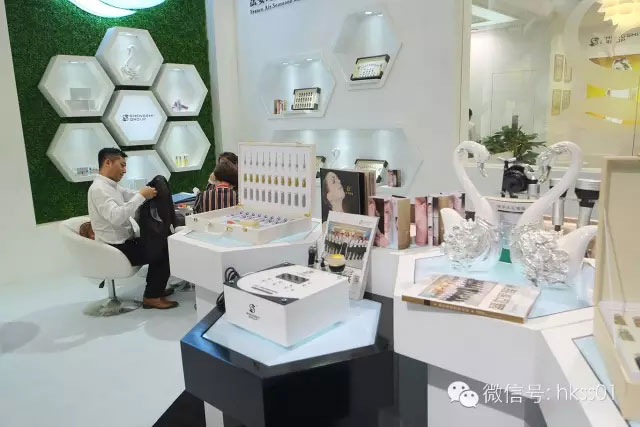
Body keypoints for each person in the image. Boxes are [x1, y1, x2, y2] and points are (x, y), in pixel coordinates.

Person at [87, 148, 178, 310]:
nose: (124, 170)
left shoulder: (112, 186)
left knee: (162, 243)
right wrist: (141, 196)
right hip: (115, 247)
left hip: (124, 243)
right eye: (122, 165)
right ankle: (152, 296)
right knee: (163, 250)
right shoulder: (99, 189)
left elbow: (131, 194)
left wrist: (150, 193)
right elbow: (116, 217)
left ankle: (155, 289)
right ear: (108, 162)